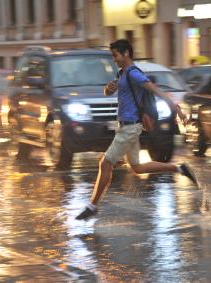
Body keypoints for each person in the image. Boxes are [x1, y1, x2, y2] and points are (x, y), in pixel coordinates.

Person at [75, 39, 198, 220]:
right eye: (112, 56)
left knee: (105, 164)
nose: (114, 59)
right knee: (137, 167)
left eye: (115, 55)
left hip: (130, 127)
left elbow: (156, 90)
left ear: (126, 54)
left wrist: (177, 109)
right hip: (125, 126)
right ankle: (179, 169)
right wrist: (107, 89)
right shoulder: (121, 73)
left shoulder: (134, 74)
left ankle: (92, 206)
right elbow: (110, 92)